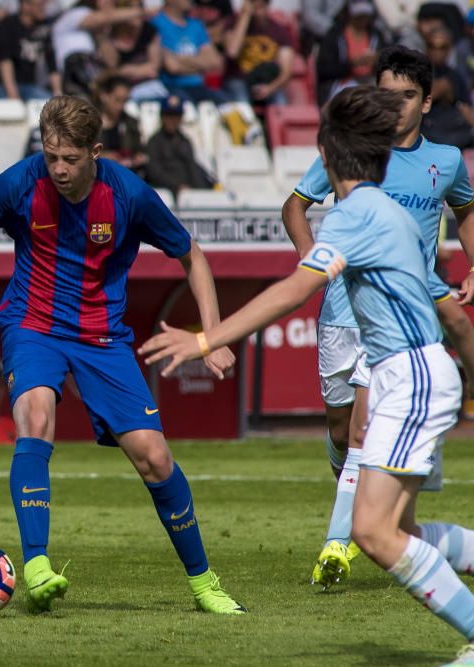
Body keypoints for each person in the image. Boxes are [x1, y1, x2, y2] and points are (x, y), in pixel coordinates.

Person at [142, 84, 474, 667]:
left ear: (325, 153)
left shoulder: (354, 216)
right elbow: (446, 308)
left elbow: (293, 290)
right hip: (417, 372)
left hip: (410, 377)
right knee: (396, 530)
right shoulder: (387, 212)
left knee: (374, 534)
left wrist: (204, 338)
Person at [0, 95, 245, 615]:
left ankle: (205, 585)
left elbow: (191, 255)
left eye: (70, 158)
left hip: (102, 337)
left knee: (154, 458)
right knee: (35, 415)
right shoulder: (20, 183)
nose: (59, 169)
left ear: (96, 152)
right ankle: (38, 565)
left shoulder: (129, 194)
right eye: (51, 156)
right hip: (32, 325)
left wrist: (215, 334)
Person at [280, 45, 474, 590]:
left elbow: (466, 212)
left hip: (403, 316)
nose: (396, 107)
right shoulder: (355, 156)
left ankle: (337, 544)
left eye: (407, 96)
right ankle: (357, 499)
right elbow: (294, 204)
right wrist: (310, 260)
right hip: (342, 308)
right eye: (386, 96)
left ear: (427, 102)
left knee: (365, 423)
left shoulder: (447, 161)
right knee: (342, 427)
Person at [221, 0, 294, 105]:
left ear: (268, 5)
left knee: (280, 102)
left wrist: (270, 88)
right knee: (242, 103)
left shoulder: (280, 31)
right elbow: (232, 51)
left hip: (267, 81)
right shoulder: (232, 24)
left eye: (261, 5)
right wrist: (245, 15)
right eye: (253, 5)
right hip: (238, 79)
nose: (257, 10)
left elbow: (286, 72)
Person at [151, 0, 224, 104]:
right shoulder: (156, 24)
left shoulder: (196, 25)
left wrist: (179, 59)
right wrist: (201, 64)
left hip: (199, 87)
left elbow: (215, 63)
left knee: (229, 106)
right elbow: (172, 66)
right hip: (171, 88)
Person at [315, 0, 387, 104]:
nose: (362, 19)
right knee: (354, 96)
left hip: (370, 81)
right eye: (359, 15)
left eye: (365, 15)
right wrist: (351, 63)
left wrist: (377, 60)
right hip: (341, 83)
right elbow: (324, 70)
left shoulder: (376, 35)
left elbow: (388, 61)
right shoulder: (335, 35)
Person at [0, 0, 59, 101]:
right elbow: (5, 62)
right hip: (2, 86)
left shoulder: (43, 27)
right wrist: (13, 97)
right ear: (26, 6)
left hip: (29, 87)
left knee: (52, 106)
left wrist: (57, 92)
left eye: (44, 4)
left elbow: (52, 65)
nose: (43, 8)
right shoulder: (8, 25)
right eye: (40, 5)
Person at [144, 95, 214, 195]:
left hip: (188, 193)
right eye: (169, 115)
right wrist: (177, 186)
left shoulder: (185, 141)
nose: (172, 120)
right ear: (162, 116)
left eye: (177, 116)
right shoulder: (154, 141)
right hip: (165, 194)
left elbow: (192, 168)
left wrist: (201, 191)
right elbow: (154, 172)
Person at [421, 28, 474, 150]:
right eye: (432, 46)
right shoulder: (419, 73)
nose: (437, 51)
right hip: (427, 129)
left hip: (453, 130)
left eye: (442, 47)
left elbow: (465, 108)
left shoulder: (455, 75)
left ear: (449, 49)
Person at [94, 73, 146, 177]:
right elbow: (82, 154)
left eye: (125, 101)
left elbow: (137, 150)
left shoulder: (131, 122)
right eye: (117, 100)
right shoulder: (90, 123)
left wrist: (137, 158)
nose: (120, 106)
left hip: (125, 175)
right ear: (104, 96)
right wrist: (102, 156)